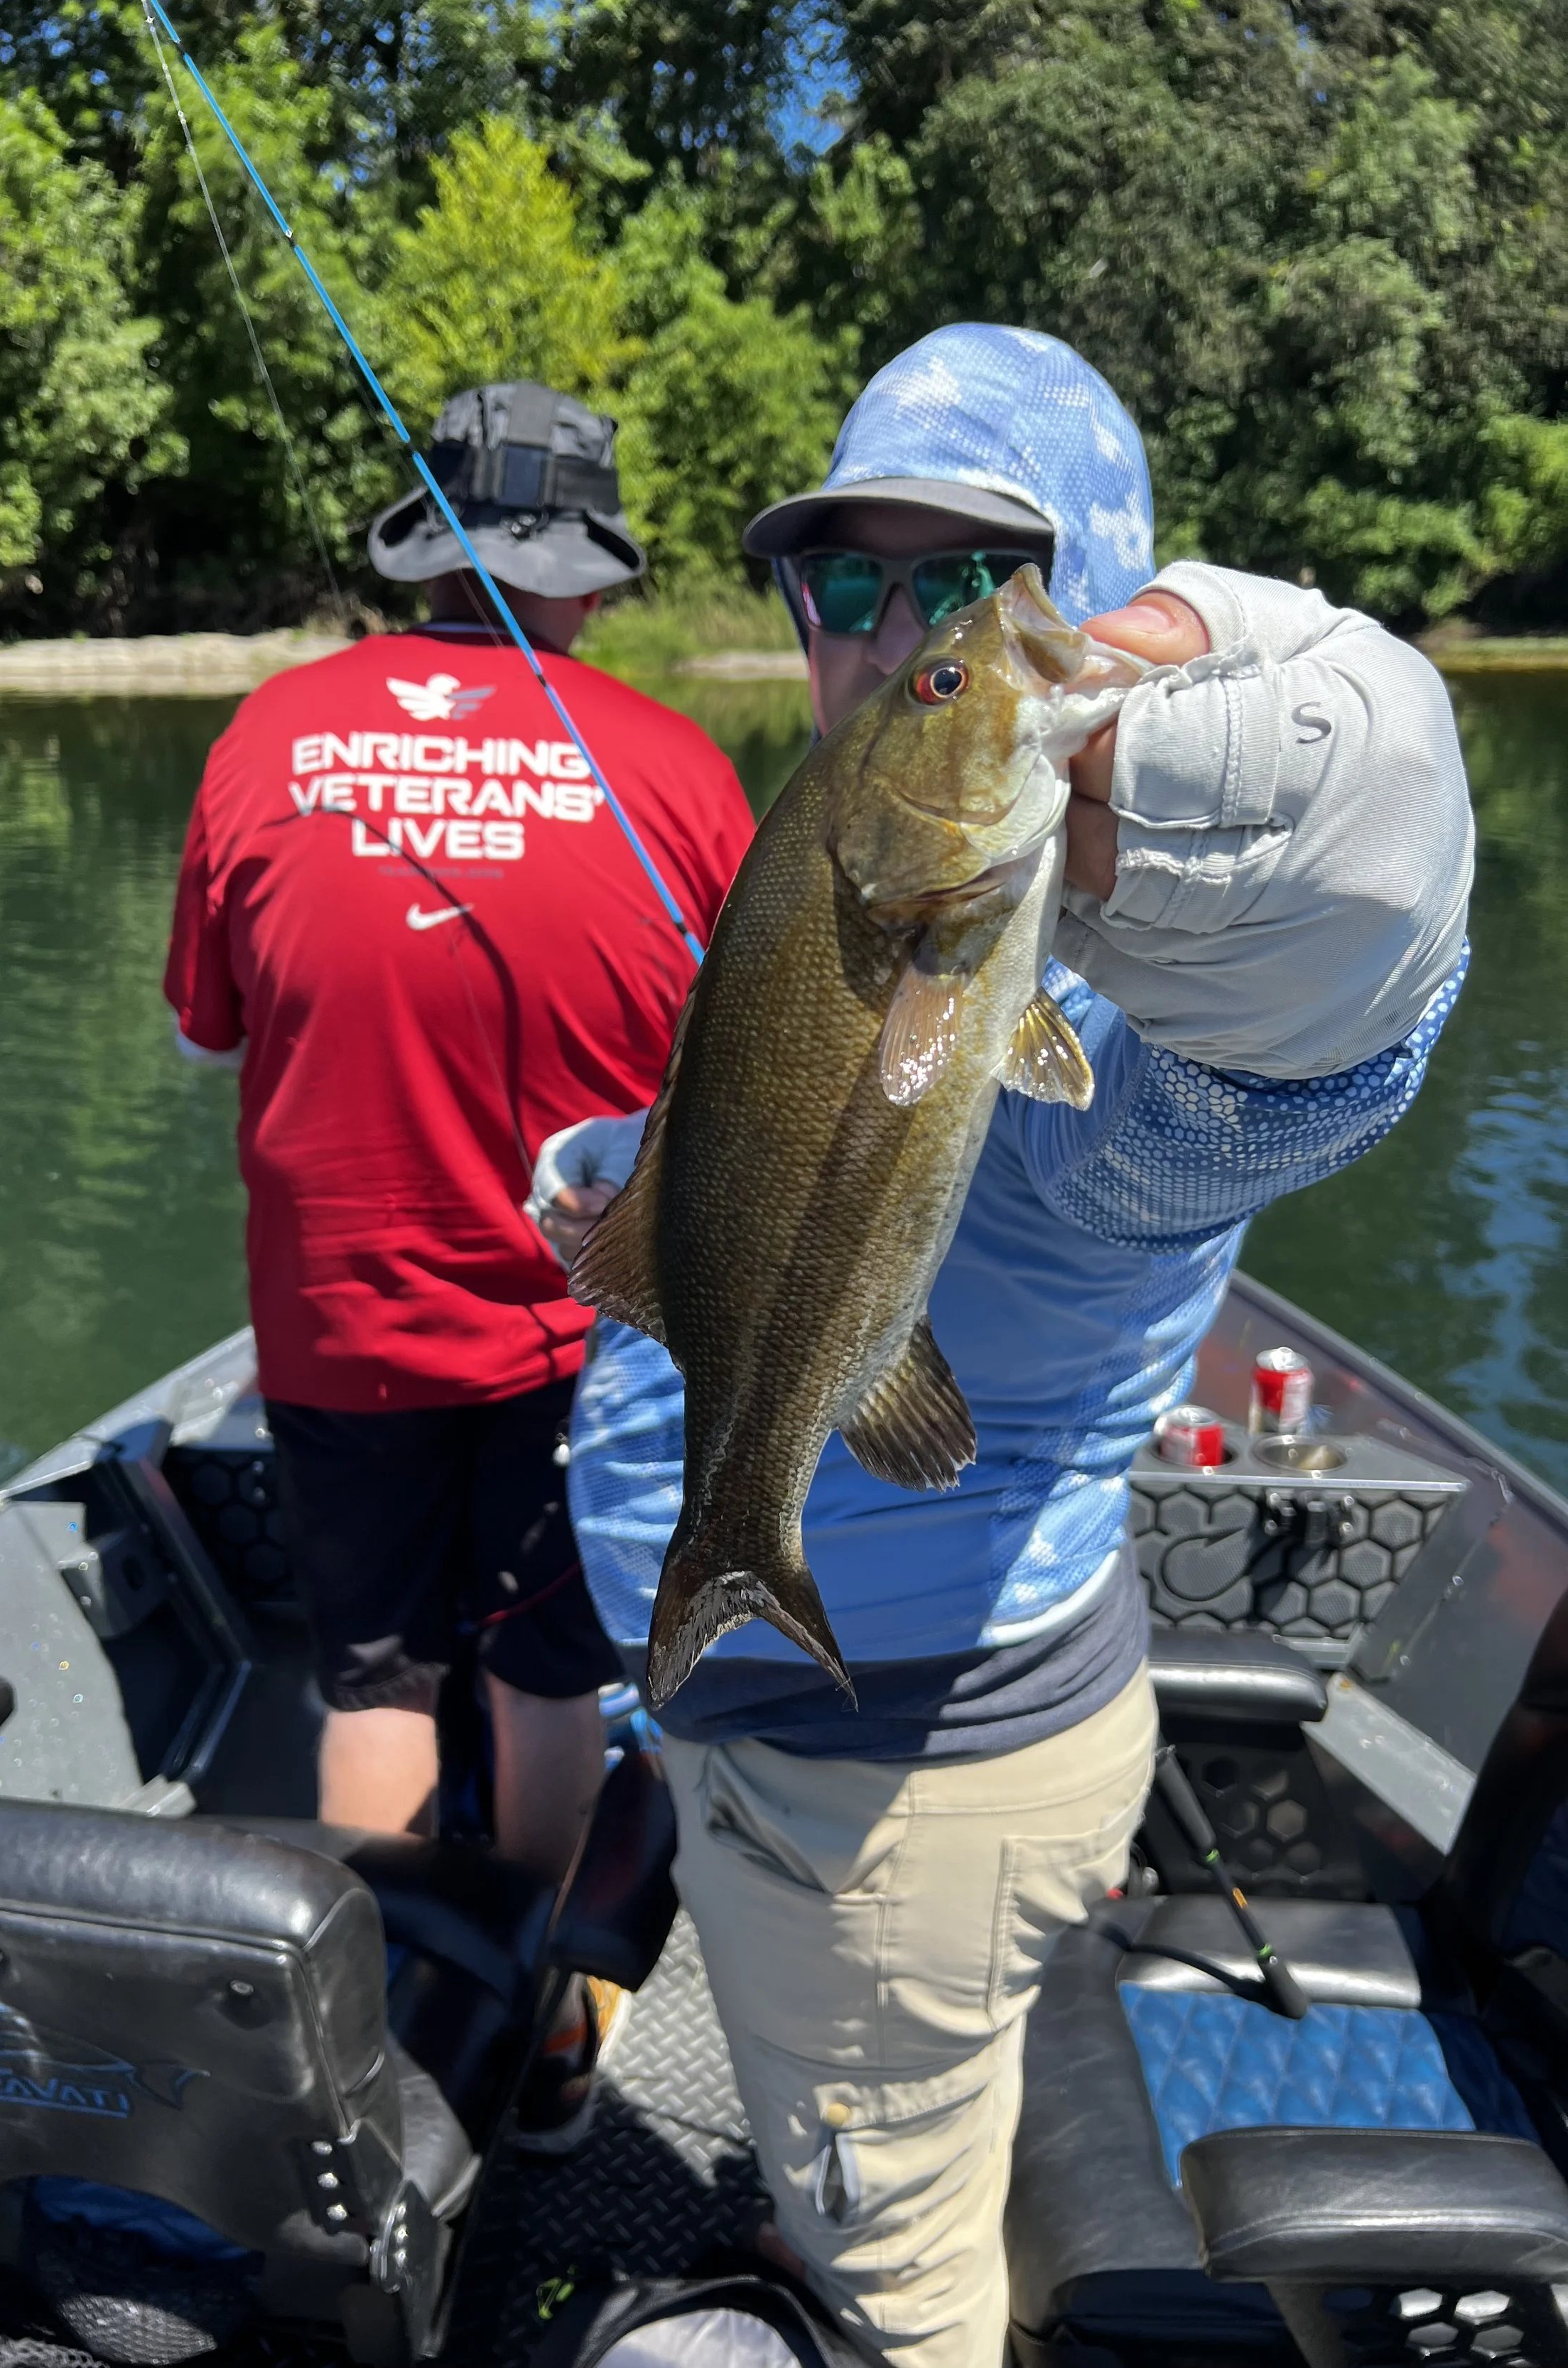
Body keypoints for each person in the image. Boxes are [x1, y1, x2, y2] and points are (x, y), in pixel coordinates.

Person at [530, 325, 1474, 2353]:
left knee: (900, 2282)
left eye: (959, 587)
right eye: (841, 581)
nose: (887, 634)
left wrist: (1348, 996)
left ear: (1089, 598)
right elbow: (791, 1121)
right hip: (802, 1710)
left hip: (889, 1766)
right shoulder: (836, 845)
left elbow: (1198, 1124)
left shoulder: (1127, 947)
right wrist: (624, 1177)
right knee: (875, 2151)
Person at [163, 379, 754, 2146]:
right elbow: (734, 1091)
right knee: (545, 1678)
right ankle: (547, 2044)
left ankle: (378, 2054)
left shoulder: (268, 736)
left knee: (371, 1679)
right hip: (583, 1341)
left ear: (417, 553)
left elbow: (209, 1038)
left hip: (336, 1322)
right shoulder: (674, 770)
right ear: (586, 569)